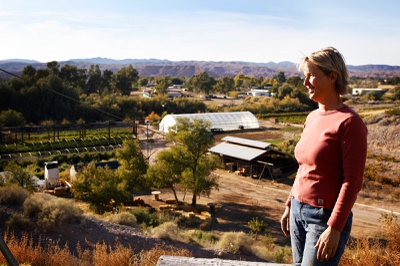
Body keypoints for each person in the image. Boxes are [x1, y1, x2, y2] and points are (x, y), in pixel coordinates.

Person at [280, 47, 367, 265]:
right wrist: (290, 204)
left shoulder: (349, 122)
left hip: (324, 218)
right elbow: (303, 166)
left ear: (332, 77)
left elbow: (352, 181)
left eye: (311, 75)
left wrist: (335, 228)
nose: (305, 82)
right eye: (304, 76)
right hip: (298, 211)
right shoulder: (312, 117)